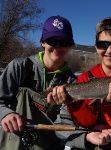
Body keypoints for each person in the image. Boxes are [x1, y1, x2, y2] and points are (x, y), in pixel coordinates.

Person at [53, 17, 111, 150]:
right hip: (88, 142)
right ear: (96, 47)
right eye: (103, 45)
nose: (109, 51)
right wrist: (70, 101)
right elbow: (83, 122)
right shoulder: (84, 78)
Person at [0, 15, 76, 150]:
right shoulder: (19, 67)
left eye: (64, 42)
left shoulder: (71, 81)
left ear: (70, 45)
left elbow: (67, 122)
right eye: (53, 40)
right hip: (11, 144)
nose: (58, 47)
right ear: (43, 42)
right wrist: (6, 113)